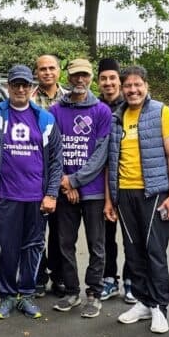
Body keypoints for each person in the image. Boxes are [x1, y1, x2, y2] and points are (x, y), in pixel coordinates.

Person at [0, 64, 63, 320]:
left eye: (25, 85)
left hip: (36, 198)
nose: (20, 89)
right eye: (16, 84)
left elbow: (56, 160)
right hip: (5, 195)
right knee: (6, 247)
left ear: (33, 88)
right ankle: (6, 295)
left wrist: (51, 193)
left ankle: (26, 294)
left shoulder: (45, 118)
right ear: (8, 87)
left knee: (33, 247)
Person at [107, 65, 169, 334]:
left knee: (155, 252)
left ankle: (159, 307)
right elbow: (111, 161)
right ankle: (141, 302)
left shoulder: (162, 112)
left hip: (154, 193)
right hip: (124, 194)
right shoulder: (118, 116)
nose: (133, 90)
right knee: (134, 252)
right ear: (122, 89)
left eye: (138, 84)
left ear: (146, 86)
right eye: (128, 85)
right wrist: (109, 200)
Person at [49, 58, 112, 318]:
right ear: (68, 76)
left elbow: (101, 154)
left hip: (94, 191)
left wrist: (75, 180)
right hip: (66, 190)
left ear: (91, 78)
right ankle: (72, 290)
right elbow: (53, 150)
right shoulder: (54, 111)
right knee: (65, 242)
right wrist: (65, 181)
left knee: (97, 244)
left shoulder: (101, 111)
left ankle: (94, 293)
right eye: (75, 75)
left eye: (85, 75)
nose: (79, 80)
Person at [96, 58, 135, 304]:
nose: (108, 83)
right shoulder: (96, 108)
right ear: (98, 82)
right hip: (102, 184)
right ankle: (109, 278)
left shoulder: (132, 105)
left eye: (113, 78)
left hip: (130, 180)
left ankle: (132, 281)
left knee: (131, 235)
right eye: (104, 79)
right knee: (105, 235)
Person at [31, 54, 66, 297]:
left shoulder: (69, 98)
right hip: (34, 173)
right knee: (35, 231)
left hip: (61, 174)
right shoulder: (28, 98)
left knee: (60, 232)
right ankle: (39, 275)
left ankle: (59, 276)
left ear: (59, 71)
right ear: (36, 72)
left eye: (51, 68)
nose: (47, 72)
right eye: (42, 69)